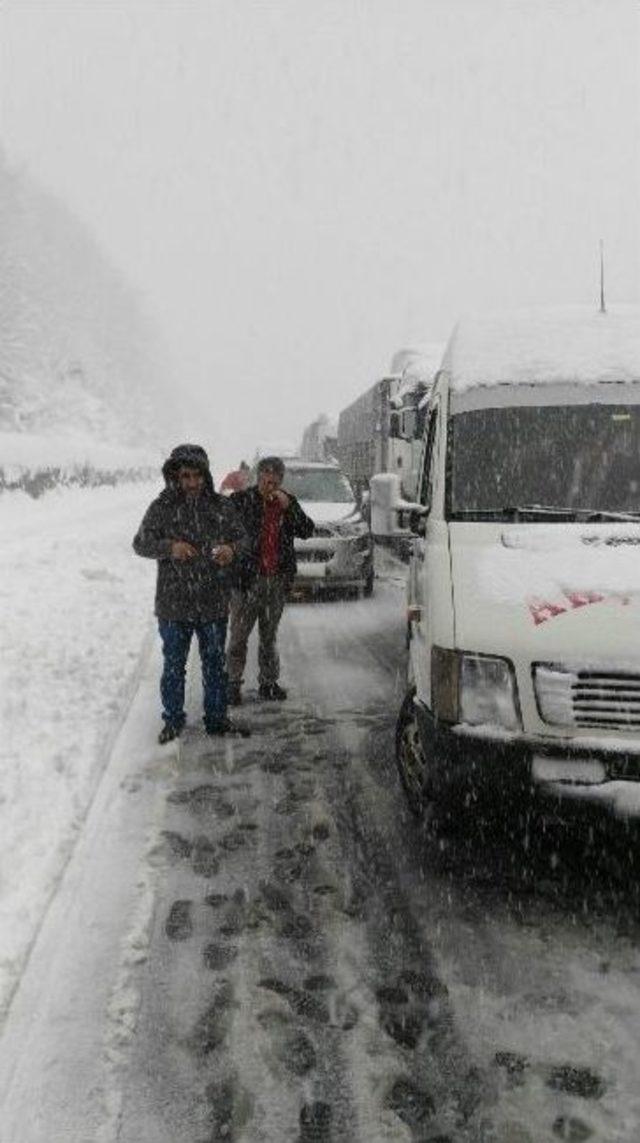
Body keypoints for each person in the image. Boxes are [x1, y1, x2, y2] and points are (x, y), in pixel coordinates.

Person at [133, 443, 249, 744]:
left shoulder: (221, 506)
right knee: (173, 666)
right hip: (173, 605)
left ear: (206, 475)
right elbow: (140, 543)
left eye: (197, 475)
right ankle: (173, 719)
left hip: (212, 603)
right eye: (185, 476)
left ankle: (216, 718)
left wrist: (231, 549)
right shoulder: (162, 507)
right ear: (175, 476)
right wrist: (170, 548)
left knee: (214, 666)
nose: (192, 482)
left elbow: (244, 539)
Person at [226, 455, 314, 704]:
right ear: (259, 476)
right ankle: (232, 684)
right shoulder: (242, 500)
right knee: (238, 636)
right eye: (267, 476)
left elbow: (307, 530)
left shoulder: (288, 503)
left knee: (268, 636)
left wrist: (290, 508)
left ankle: (268, 683)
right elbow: (222, 528)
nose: (271, 482)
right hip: (246, 581)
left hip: (275, 581)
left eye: (276, 477)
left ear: (281, 479)